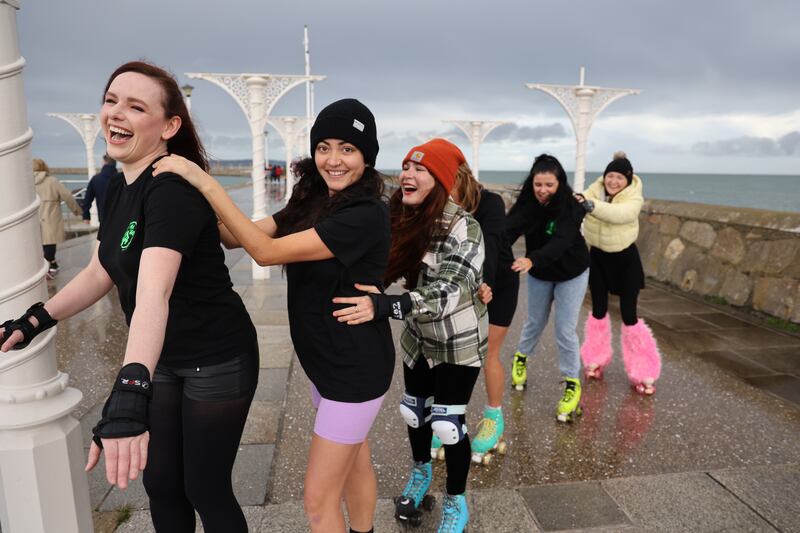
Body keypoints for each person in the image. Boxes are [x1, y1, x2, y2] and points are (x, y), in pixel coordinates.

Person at [2, 61, 259, 533]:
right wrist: (35, 319)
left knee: (205, 487)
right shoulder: (120, 184)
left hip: (215, 356)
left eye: (136, 107)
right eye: (111, 100)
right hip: (163, 356)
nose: (116, 113)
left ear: (169, 126)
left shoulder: (172, 191)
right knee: (161, 483)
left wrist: (129, 389)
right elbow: (103, 267)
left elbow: (154, 292)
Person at [154, 98, 393, 533]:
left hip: (354, 370)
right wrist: (184, 199)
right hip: (326, 364)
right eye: (324, 147)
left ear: (367, 157)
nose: (333, 160)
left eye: (347, 149)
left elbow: (264, 252)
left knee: (317, 503)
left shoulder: (365, 214)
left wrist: (203, 180)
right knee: (355, 461)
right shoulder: (313, 200)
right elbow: (234, 237)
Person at [334, 138, 487, 533]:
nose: (408, 174)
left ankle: (456, 500)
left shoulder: (465, 227)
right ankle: (421, 474)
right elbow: (377, 264)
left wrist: (388, 306)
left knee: (447, 423)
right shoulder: (400, 216)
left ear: (441, 180)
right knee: (414, 412)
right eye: (406, 166)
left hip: (456, 340)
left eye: (421, 169)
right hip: (418, 337)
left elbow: (450, 289)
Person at [506, 154, 589, 422]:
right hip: (540, 274)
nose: (543, 190)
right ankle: (521, 358)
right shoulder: (527, 203)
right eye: (538, 184)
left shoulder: (571, 206)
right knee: (535, 321)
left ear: (559, 183)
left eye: (549, 185)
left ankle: (572, 383)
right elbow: (508, 231)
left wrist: (532, 259)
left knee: (565, 329)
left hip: (571, 272)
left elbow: (561, 241)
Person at [576, 151, 662, 394]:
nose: (613, 181)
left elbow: (621, 214)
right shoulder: (594, 190)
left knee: (629, 315)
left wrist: (591, 206)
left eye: (619, 178)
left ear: (628, 180)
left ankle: (643, 372)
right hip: (598, 258)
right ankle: (595, 360)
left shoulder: (634, 197)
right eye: (610, 176)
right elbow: (580, 199)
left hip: (625, 261)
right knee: (598, 311)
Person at [450, 165, 518, 464]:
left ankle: (493, 420)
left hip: (497, 283)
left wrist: (484, 284)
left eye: (448, 181)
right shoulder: (435, 202)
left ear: (462, 178)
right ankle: (450, 416)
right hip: (459, 286)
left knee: (488, 353)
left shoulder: (490, 202)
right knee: (453, 354)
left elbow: (489, 244)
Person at [32, 158, 82, 278]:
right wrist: (77, 211)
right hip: (50, 217)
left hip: (34, 218)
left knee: (38, 243)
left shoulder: (27, 183)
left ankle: (46, 266)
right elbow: (67, 196)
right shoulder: (52, 181)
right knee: (50, 242)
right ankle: (50, 267)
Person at [82, 154, 117, 225]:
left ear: (104, 162)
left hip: (103, 218)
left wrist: (86, 216)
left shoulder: (96, 179)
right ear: (115, 163)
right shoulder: (122, 178)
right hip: (122, 218)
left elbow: (87, 199)